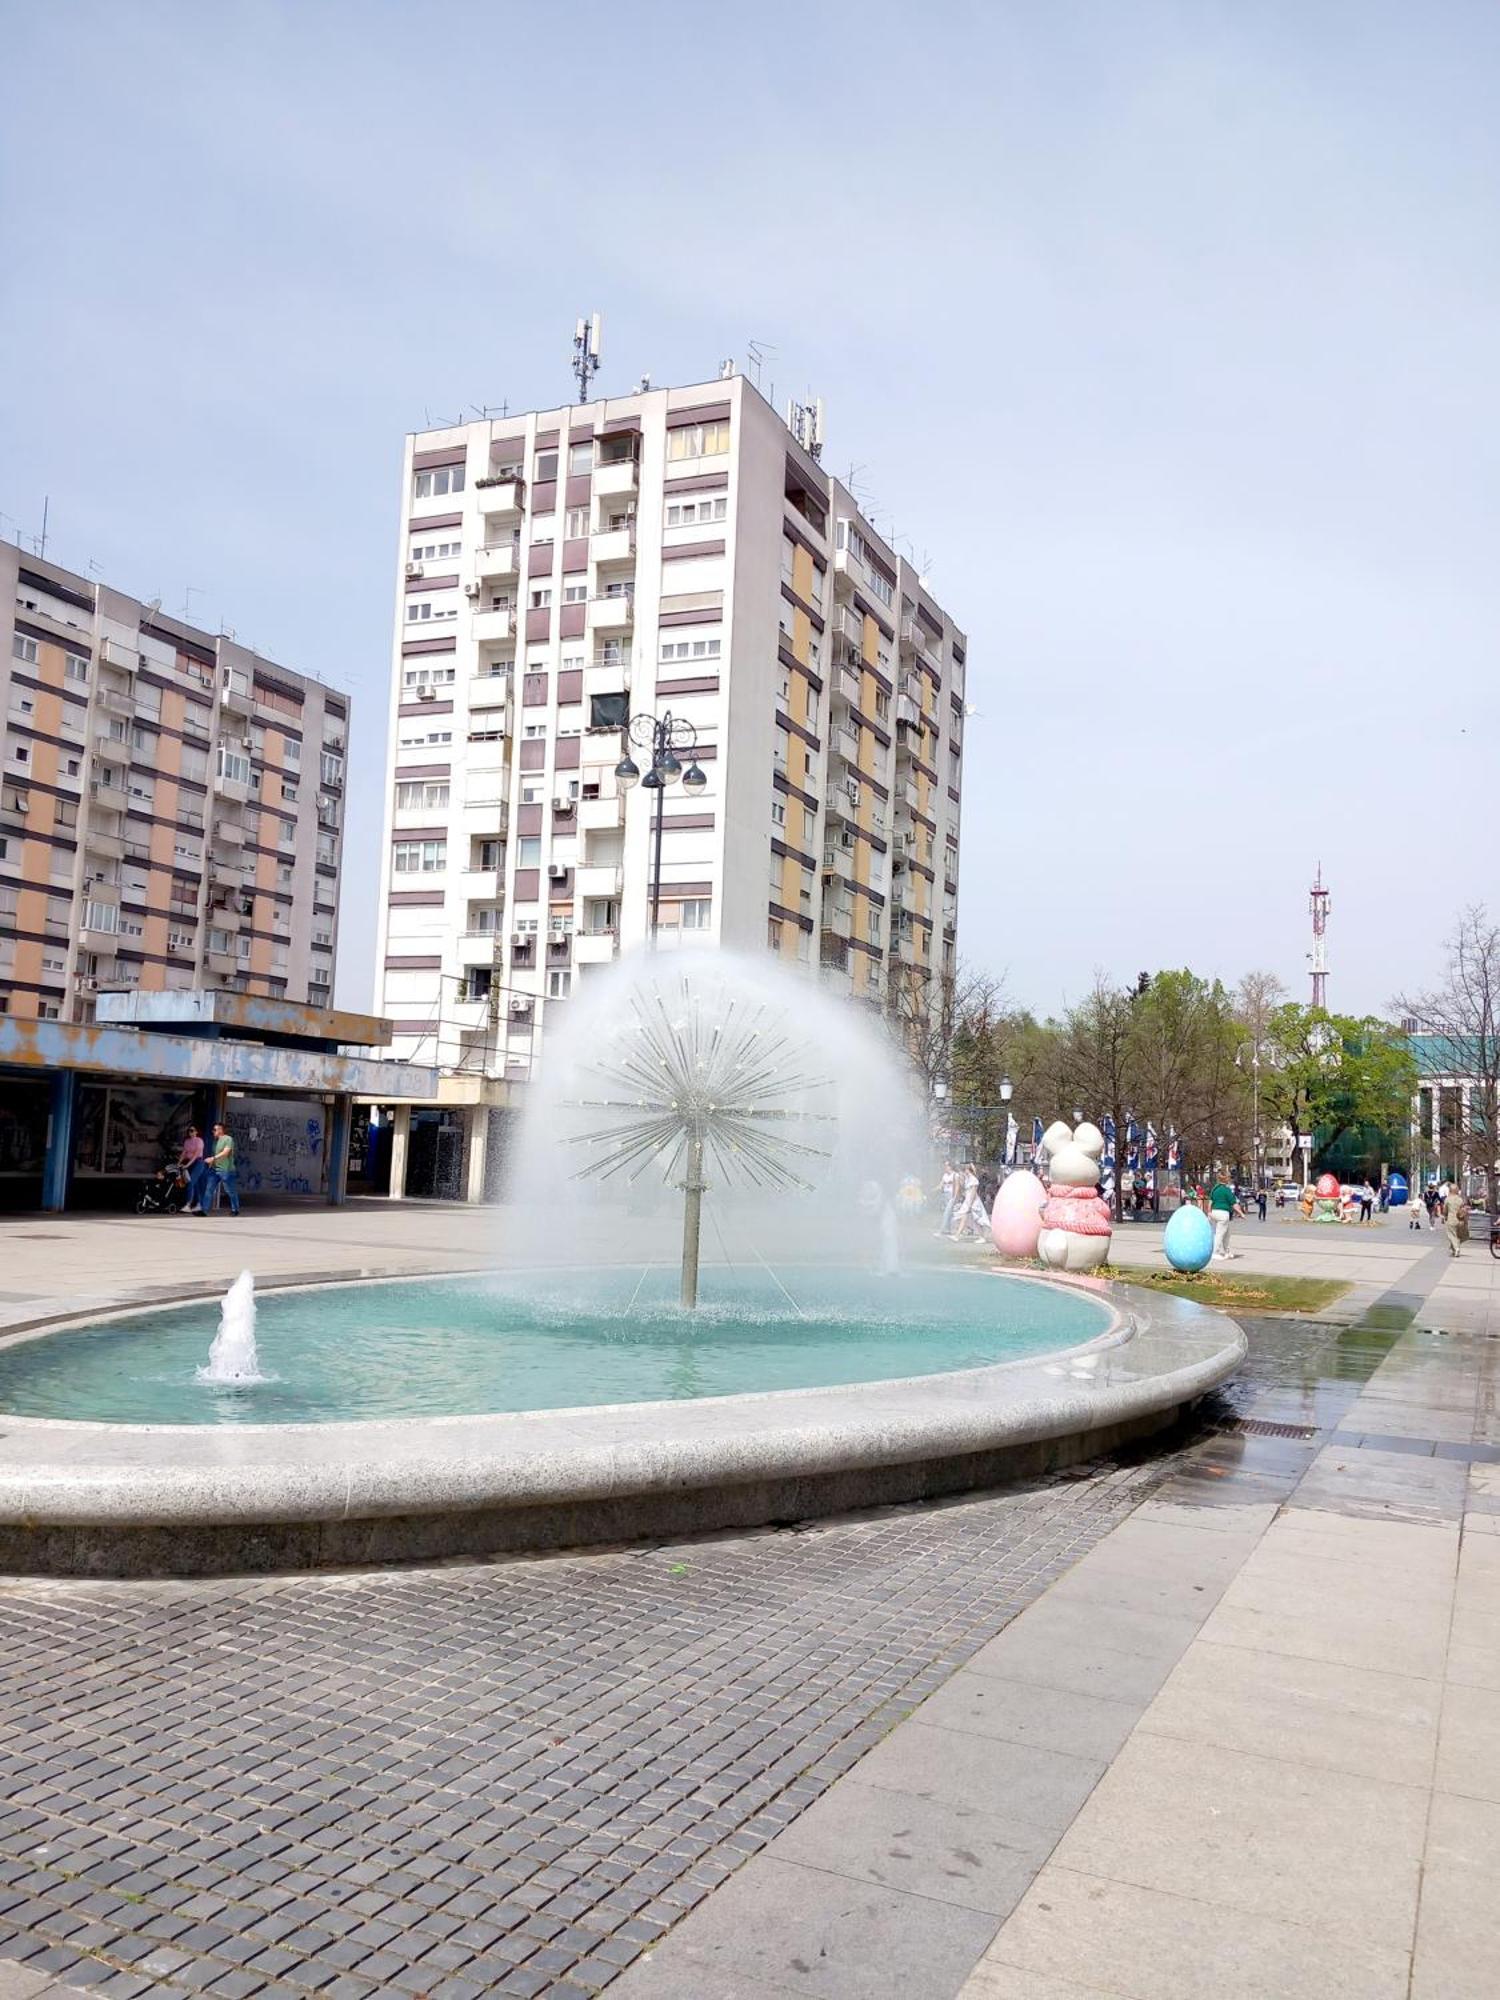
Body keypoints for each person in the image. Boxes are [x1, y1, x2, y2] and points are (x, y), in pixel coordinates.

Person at [202, 1121, 240, 1216]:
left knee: (230, 1191)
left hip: (226, 1170)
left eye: (215, 1129)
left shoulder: (228, 1139)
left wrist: (213, 1158)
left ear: (221, 1130)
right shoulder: (215, 1141)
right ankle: (204, 1210)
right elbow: (215, 1154)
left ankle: (235, 1209)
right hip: (214, 1169)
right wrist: (212, 1162)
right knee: (209, 1189)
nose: (213, 1131)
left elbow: (226, 1152)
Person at [176, 1125, 208, 1213]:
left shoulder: (199, 1141)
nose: (191, 1132)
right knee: (195, 1184)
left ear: (196, 1132)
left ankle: (188, 1204)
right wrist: (178, 1163)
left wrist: (187, 1165)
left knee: (190, 1182)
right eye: (189, 1131)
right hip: (190, 1162)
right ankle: (198, 1204)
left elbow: (196, 1155)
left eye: (192, 1130)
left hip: (198, 1162)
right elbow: (184, 1153)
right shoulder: (187, 1141)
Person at [1208, 1175, 1240, 1259]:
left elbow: (1210, 1201)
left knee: (1226, 1233)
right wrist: (1241, 1213)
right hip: (1223, 1213)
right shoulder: (1226, 1190)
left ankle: (1227, 1251)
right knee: (1220, 1234)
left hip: (1214, 1212)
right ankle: (1215, 1252)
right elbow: (1234, 1203)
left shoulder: (1214, 1189)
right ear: (1226, 1180)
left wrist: (1209, 1212)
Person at [933, 1161, 958, 1238]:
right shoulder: (945, 1175)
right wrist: (933, 1190)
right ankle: (948, 1230)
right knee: (950, 1214)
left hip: (952, 1195)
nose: (945, 1167)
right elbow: (941, 1185)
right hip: (945, 1195)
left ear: (950, 1167)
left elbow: (957, 1187)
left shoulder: (955, 1175)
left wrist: (955, 1197)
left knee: (946, 1213)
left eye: (946, 1166)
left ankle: (941, 1231)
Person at [1443, 1182, 1467, 1258]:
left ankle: (1456, 1248)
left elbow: (1445, 1210)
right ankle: (1453, 1249)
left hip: (1451, 1220)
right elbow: (1463, 1209)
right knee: (1457, 1235)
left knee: (1451, 1235)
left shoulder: (1448, 1199)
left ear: (1450, 1190)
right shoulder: (1460, 1199)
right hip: (1460, 1220)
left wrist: (1445, 1216)